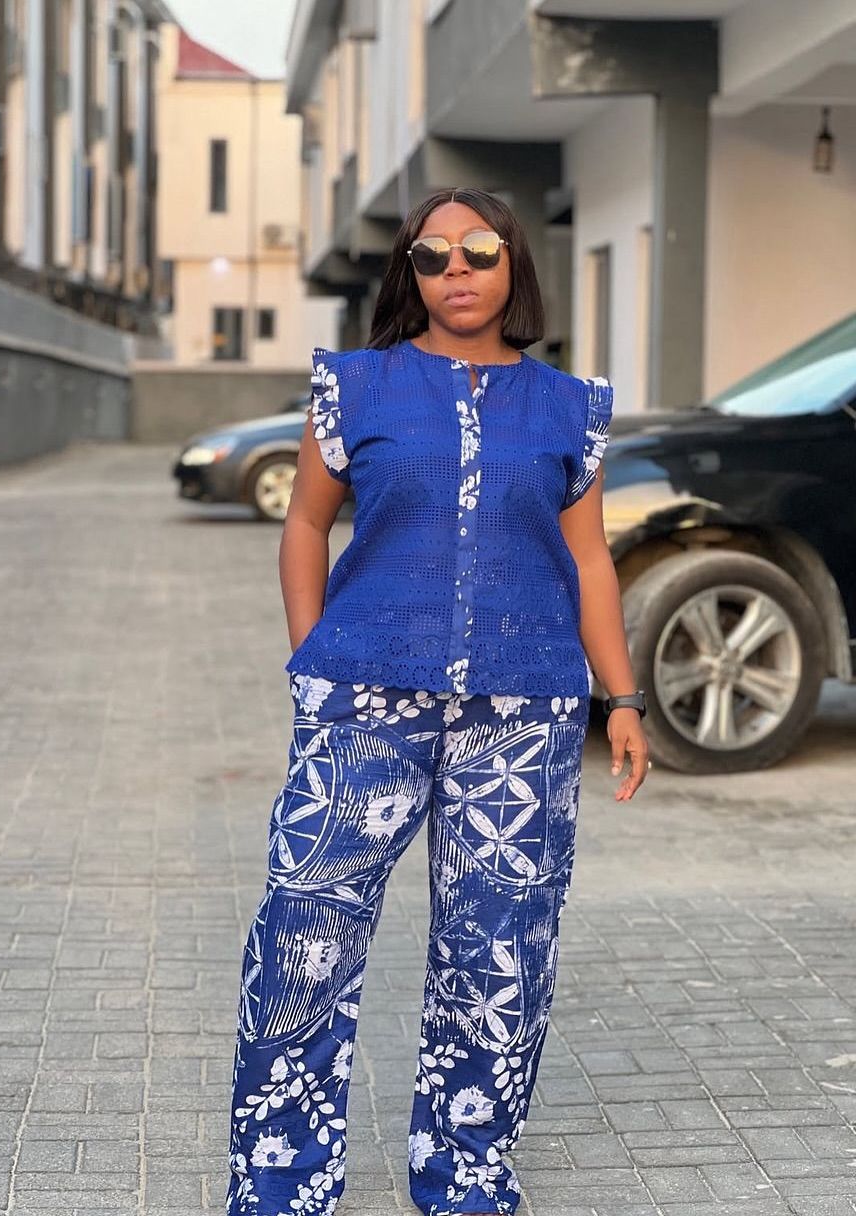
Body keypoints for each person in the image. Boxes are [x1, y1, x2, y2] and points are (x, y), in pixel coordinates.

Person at [227, 186, 649, 1216]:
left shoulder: (570, 407)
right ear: (408, 273)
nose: (456, 269)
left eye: (479, 249)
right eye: (432, 255)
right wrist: (312, 658)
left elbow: (590, 561)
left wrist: (623, 697)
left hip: (524, 715)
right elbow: (305, 524)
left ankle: (465, 1173)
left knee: (499, 952)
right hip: (364, 702)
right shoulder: (353, 387)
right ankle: (280, 1181)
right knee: (306, 934)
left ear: (513, 264)